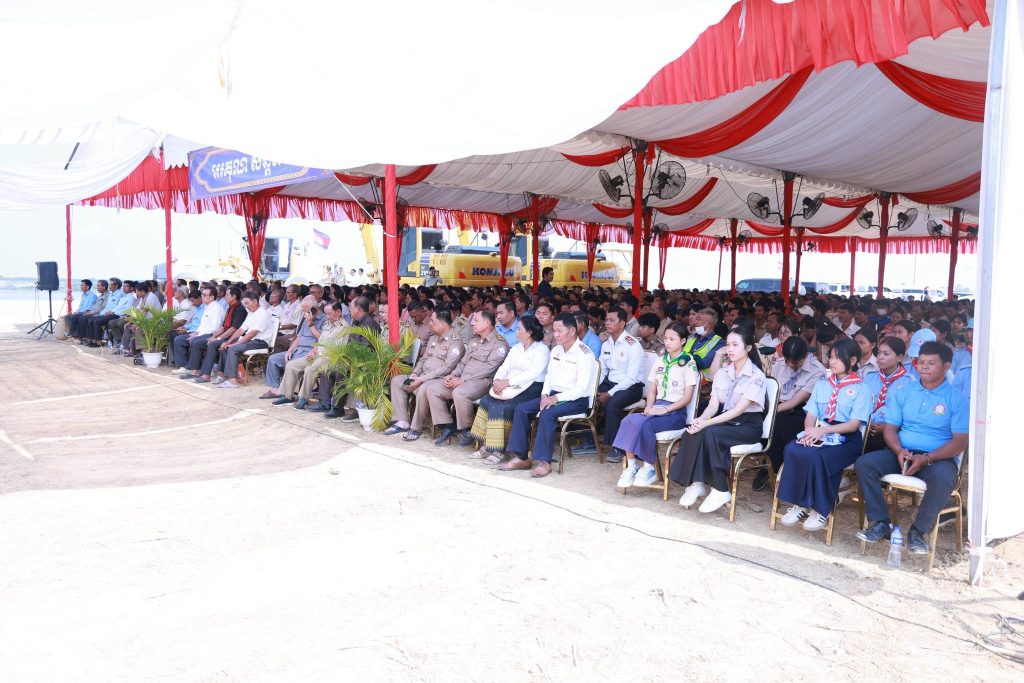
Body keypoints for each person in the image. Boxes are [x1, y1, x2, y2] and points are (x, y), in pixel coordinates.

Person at [856, 342, 969, 555]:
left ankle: (918, 532)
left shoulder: (957, 399)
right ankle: (880, 523)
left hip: (937, 459)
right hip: (902, 453)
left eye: (931, 363)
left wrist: (928, 458)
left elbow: (960, 442)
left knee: (944, 477)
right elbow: (890, 428)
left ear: (946, 367)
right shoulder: (905, 392)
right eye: (920, 362)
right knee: (865, 464)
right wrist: (898, 450)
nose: (923, 367)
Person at [775, 338, 873, 531]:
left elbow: (853, 425)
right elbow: (811, 414)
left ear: (852, 360)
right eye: (831, 357)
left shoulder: (862, 389)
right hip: (820, 433)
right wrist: (809, 432)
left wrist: (824, 430)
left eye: (838, 358)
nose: (832, 361)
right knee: (793, 449)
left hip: (846, 439)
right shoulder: (822, 384)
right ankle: (799, 504)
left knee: (819, 457)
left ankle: (820, 510)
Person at [669, 327, 766, 514]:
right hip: (726, 420)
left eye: (735, 345)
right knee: (692, 432)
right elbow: (713, 405)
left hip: (748, 425)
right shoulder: (723, 373)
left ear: (748, 348)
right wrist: (700, 420)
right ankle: (697, 483)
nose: (730, 349)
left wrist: (707, 423)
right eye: (728, 344)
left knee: (711, 433)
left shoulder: (756, 376)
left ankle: (720, 489)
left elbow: (738, 410)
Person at [501, 313, 599, 478]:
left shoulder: (584, 354)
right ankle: (521, 457)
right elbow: (549, 376)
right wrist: (545, 394)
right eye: (554, 331)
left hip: (576, 400)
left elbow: (582, 389)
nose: (556, 335)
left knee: (547, 414)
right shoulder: (556, 350)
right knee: (522, 409)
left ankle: (544, 462)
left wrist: (555, 399)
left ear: (572, 331)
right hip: (553, 395)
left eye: (560, 331)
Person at [614, 323, 699, 489]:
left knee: (645, 424)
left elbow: (687, 398)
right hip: (657, 407)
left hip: (676, 412)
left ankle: (649, 468)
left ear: (683, 341)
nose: (667, 342)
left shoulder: (688, 363)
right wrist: (649, 406)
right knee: (628, 420)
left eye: (672, 339)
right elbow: (652, 390)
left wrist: (665, 409)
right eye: (665, 338)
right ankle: (632, 466)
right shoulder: (660, 360)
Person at [467, 315, 550, 465]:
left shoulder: (542, 350)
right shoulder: (516, 348)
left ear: (529, 332)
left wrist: (506, 382)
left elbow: (532, 374)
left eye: (519, 329)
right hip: (509, 385)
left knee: (504, 406)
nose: (516, 332)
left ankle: (498, 449)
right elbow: (504, 367)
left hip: (531, 388)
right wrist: (497, 381)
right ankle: (486, 445)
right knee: (486, 401)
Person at [751, 336, 826, 492]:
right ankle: (768, 463)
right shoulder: (779, 365)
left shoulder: (817, 370)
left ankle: (773, 467)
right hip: (777, 405)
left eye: (795, 362)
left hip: (800, 410)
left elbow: (794, 402)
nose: (790, 365)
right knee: (757, 418)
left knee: (779, 423)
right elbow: (771, 392)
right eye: (788, 360)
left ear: (805, 356)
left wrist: (770, 413)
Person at [427, 309, 509, 445]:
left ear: (487, 323)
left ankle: (467, 430)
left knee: (460, 392)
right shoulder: (474, 341)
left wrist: (462, 380)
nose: (472, 323)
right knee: (433, 389)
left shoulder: (499, 344)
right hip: (462, 380)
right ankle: (448, 425)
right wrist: (453, 375)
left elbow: (488, 369)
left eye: (476, 320)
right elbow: (462, 362)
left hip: (483, 381)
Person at [383, 307, 465, 439]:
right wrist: (415, 373)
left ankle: (416, 428)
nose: (430, 323)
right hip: (422, 377)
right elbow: (423, 359)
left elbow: (447, 368)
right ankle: (402, 421)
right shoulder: (434, 338)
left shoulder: (455, 341)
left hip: (438, 380)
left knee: (423, 388)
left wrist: (422, 379)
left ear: (442, 323)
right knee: (397, 380)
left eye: (432, 321)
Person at [597, 306, 646, 459]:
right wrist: (595, 388)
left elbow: (631, 378)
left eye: (612, 320)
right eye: (606, 320)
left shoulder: (632, 345)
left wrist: (609, 394)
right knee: (587, 395)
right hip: (611, 383)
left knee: (612, 404)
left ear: (622, 323)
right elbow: (602, 370)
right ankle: (588, 439)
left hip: (631, 387)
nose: (607, 323)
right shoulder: (606, 344)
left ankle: (617, 448)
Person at [210, 293, 276, 388]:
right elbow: (241, 330)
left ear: (255, 301)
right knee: (225, 346)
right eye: (244, 304)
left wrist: (235, 344)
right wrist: (229, 341)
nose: (246, 306)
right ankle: (222, 375)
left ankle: (233, 381)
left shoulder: (263, 314)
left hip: (260, 342)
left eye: (247, 303)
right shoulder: (251, 313)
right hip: (252, 341)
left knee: (232, 349)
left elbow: (251, 333)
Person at [862, 337, 913, 452]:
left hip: (893, 431)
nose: (880, 357)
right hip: (865, 428)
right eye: (879, 353)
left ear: (899, 357)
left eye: (886, 354)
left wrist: (888, 427)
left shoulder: (909, 382)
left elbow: (909, 413)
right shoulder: (870, 377)